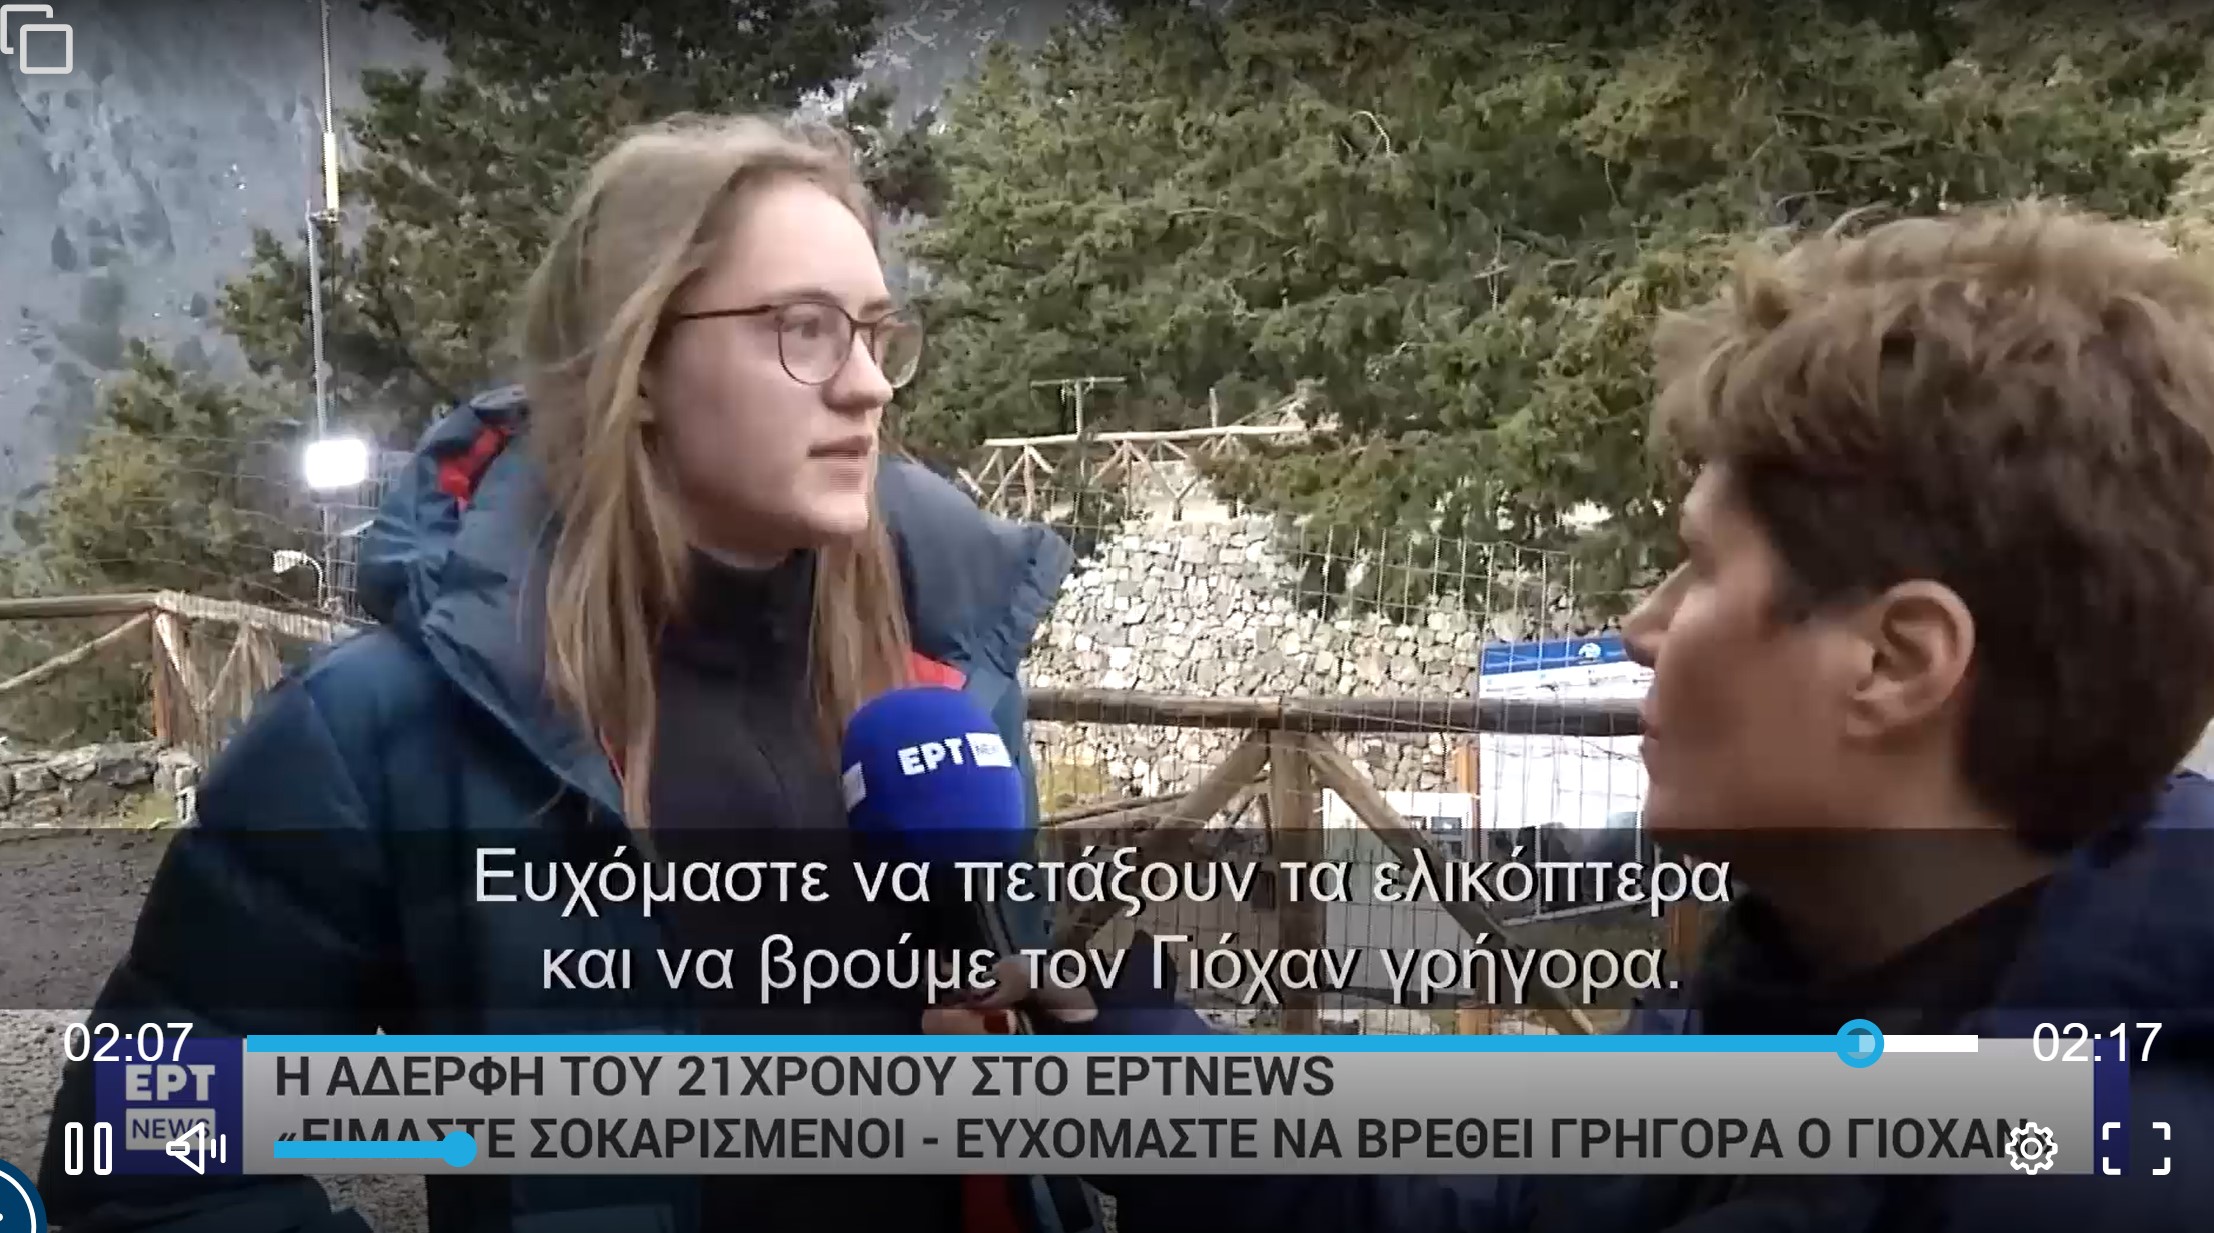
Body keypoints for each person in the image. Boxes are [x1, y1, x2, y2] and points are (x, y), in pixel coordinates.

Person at [935, 201, 2214, 1232]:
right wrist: (1137, 1070)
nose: (1643, 627)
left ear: (1895, 660)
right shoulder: (1804, 989)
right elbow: (1501, 1188)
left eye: (1699, 569)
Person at [40, 113, 1100, 1233]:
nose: (869, 387)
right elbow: (145, 1149)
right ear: (635, 364)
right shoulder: (382, 732)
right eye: (805, 330)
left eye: (879, 336)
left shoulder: (947, 681)